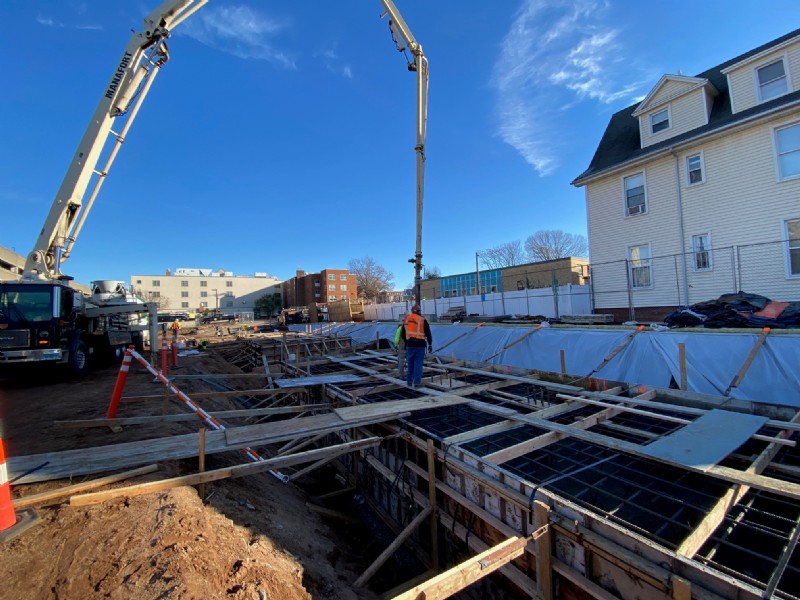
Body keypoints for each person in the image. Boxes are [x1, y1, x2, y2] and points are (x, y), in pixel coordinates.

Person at [401, 304, 432, 388]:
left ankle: (409, 382)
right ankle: (417, 382)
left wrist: (405, 343)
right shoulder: (422, 320)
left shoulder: (406, 319)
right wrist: (430, 344)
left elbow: (403, 333)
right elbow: (428, 333)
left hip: (410, 344)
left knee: (410, 363)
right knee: (418, 364)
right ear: (418, 311)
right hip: (420, 345)